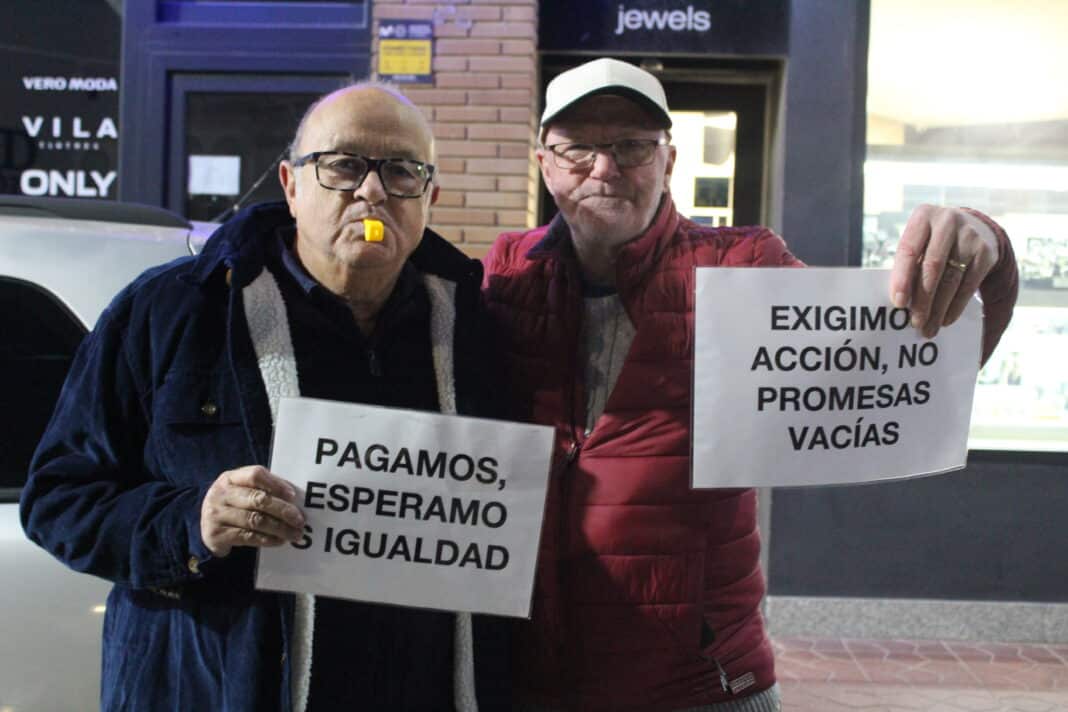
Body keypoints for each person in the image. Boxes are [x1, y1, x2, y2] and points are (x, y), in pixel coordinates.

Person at [482, 58, 1018, 712]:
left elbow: (902, 366)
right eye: (578, 149)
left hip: (703, 685)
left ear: (669, 160)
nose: (604, 168)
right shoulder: (505, 276)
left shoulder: (743, 266)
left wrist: (981, 244)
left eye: (631, 146)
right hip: (536, 681)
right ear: (544, 162)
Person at [21, 83, 508, 712]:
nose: (372, 191)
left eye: (402, 170)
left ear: (430, 196)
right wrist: (193, 522)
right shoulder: (173, 312)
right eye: (343, 165)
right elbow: (59, 499)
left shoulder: (476, 329)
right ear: (291, 183)